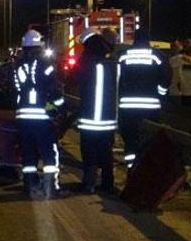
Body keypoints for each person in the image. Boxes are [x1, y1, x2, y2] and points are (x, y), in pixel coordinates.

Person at [13, 29, 65, 199]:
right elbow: (54, 89)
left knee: (28, 154)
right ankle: (51, 187)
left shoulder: (18, 65)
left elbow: (14, 90)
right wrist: (60, 109)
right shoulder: (46, 64)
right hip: (42, 117)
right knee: (49, 153)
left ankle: (30, 186)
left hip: (23, 117)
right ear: (39, 45)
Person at [117, 29, 170, 168]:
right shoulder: (157, 56)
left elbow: (116, 79)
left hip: (127, 106)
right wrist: (160, 95)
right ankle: (146, 167)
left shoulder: (123, 56)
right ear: (148, 39)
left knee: (130, 138)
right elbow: (166, 78)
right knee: (149, 138)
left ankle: (131, 167)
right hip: (150, 107)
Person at [75, 27, 118, 194]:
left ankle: (89, 184)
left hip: (89, 118)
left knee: (89, 151)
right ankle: (108, 184)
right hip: (108, 118)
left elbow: (72, 80)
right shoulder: (112, 59)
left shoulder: (85, 60)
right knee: (106, 153)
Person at [167, 39, 183, 104]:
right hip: (172, 90)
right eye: (172, 46)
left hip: (178, 91)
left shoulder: (180, 58)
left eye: (176, 46)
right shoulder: (170, 59)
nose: (173, 48)